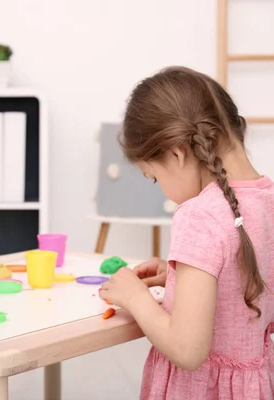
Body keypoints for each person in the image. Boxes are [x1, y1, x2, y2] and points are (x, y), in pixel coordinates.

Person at [99, 66, 274, 400]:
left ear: (178, 154)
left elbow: (187, 349)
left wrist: (135, 297)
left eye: (153, 177)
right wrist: (182, 278)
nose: (160, 188)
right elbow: (253, 296)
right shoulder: (268, 199)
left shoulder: (199, 215)